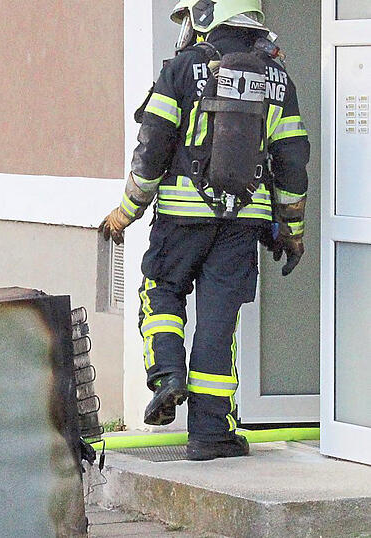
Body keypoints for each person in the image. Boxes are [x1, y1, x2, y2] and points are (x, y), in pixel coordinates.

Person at [98, 0, 309, 461]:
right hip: (242, 224)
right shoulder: (278, 80)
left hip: (180, 216)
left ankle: (168, 374)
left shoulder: (182, 69)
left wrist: (127, 210)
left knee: (162, 291)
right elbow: (291, 162)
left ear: (206, 14)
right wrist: (292, 231)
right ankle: (211, 435)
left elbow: (152, 146)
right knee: (218, 321)